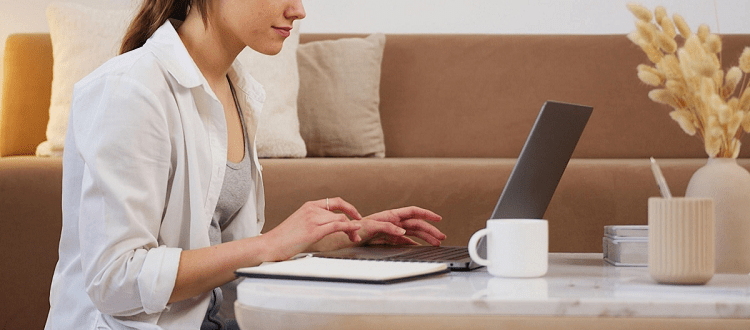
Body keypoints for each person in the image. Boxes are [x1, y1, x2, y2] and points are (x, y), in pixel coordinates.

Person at [44, 0, 446, 329]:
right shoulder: (130, 90)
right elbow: (114, 280)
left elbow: (220, 250)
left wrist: (337, 234)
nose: (298, 10)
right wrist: (270, 243)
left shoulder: (236, 90)